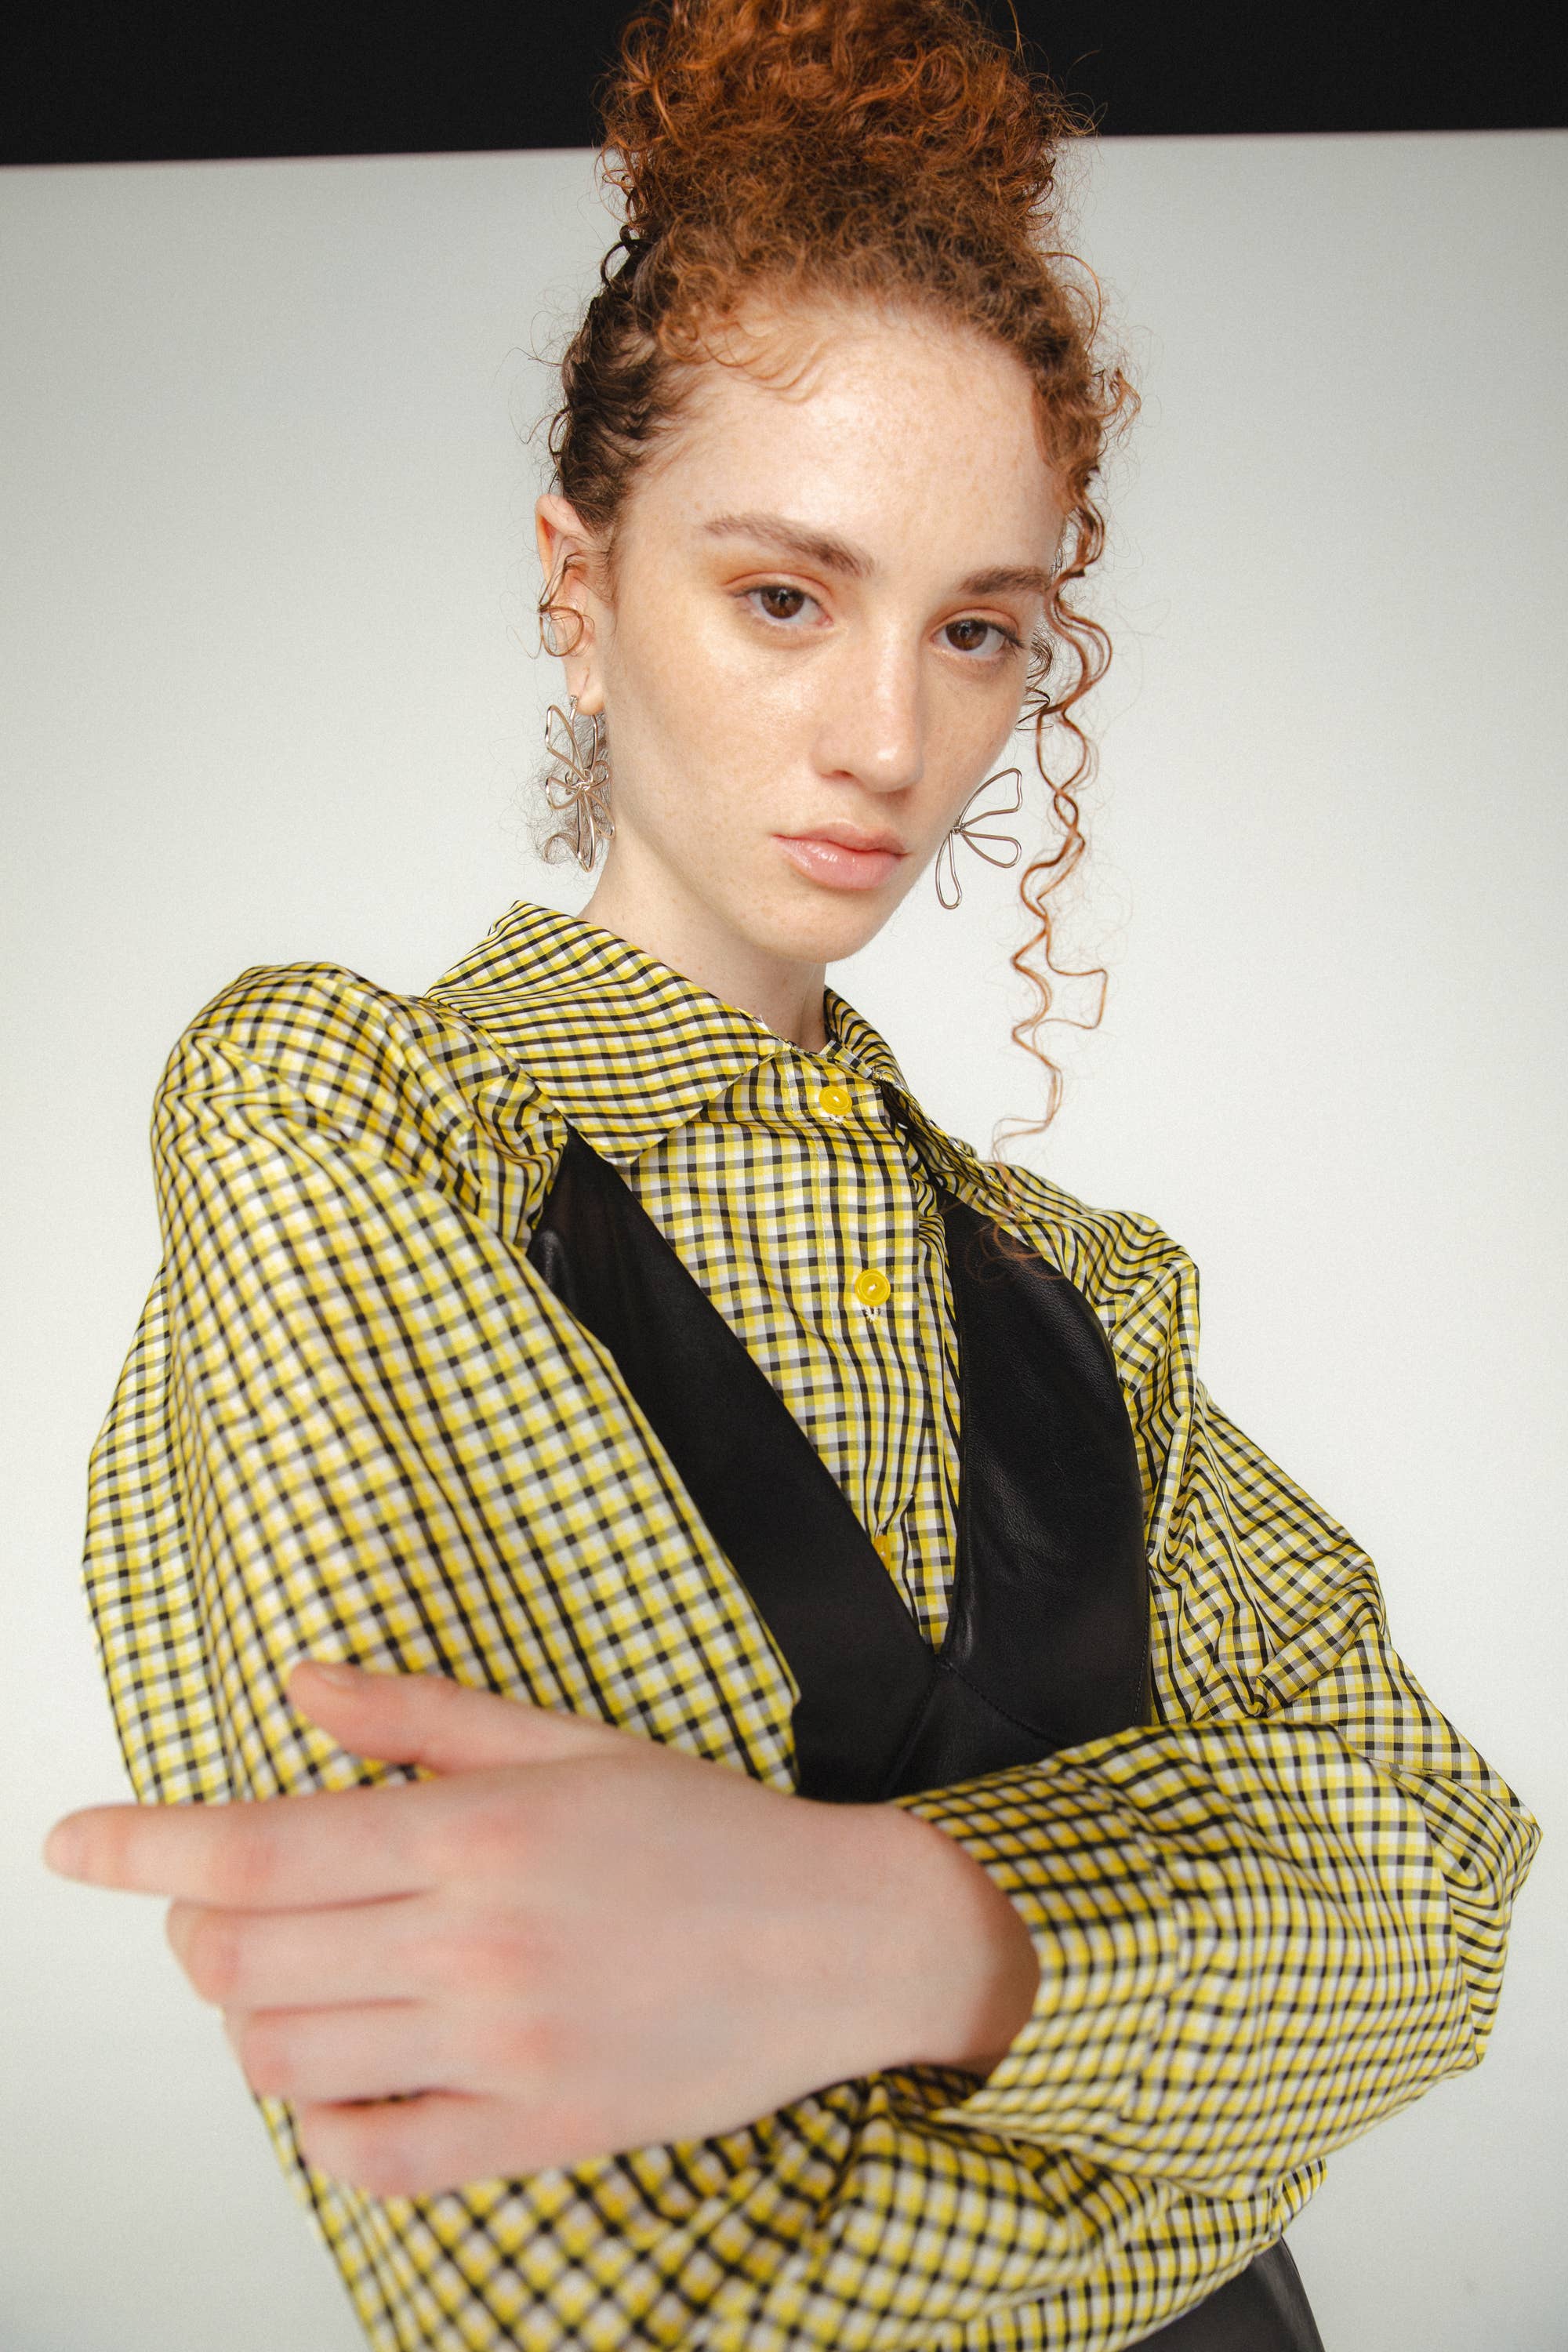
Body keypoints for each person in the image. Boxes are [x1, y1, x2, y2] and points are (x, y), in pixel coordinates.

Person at [43, 2, 1541, 2347]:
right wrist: (1188, 2065)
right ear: (579, 583)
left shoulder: (1085, 1285)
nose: (889, 738)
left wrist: (883, 1934)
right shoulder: (352, 1128)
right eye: (784, 597)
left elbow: (1438, 1895)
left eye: (978, 632)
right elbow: (604, 2274)